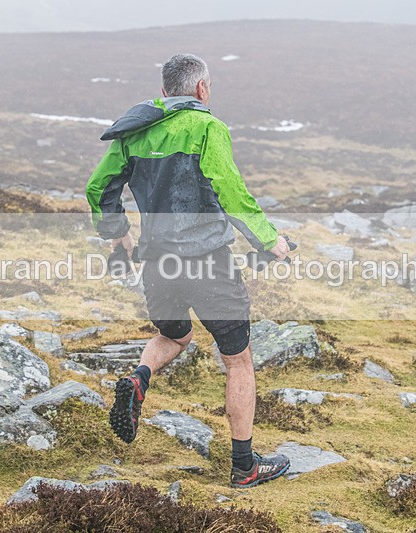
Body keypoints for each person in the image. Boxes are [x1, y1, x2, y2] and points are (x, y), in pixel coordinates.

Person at [86, 53, 291, 488]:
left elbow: (98, 187)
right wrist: (269, 240)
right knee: (238, 361)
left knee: (175, 336)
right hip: (208, 263)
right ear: (202, 89)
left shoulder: (134, 131)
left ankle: (139, 379)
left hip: (157, 263)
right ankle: (245, 467)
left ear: (165, 91)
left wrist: (117, 234)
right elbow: (230, 191)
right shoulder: (206, 127)